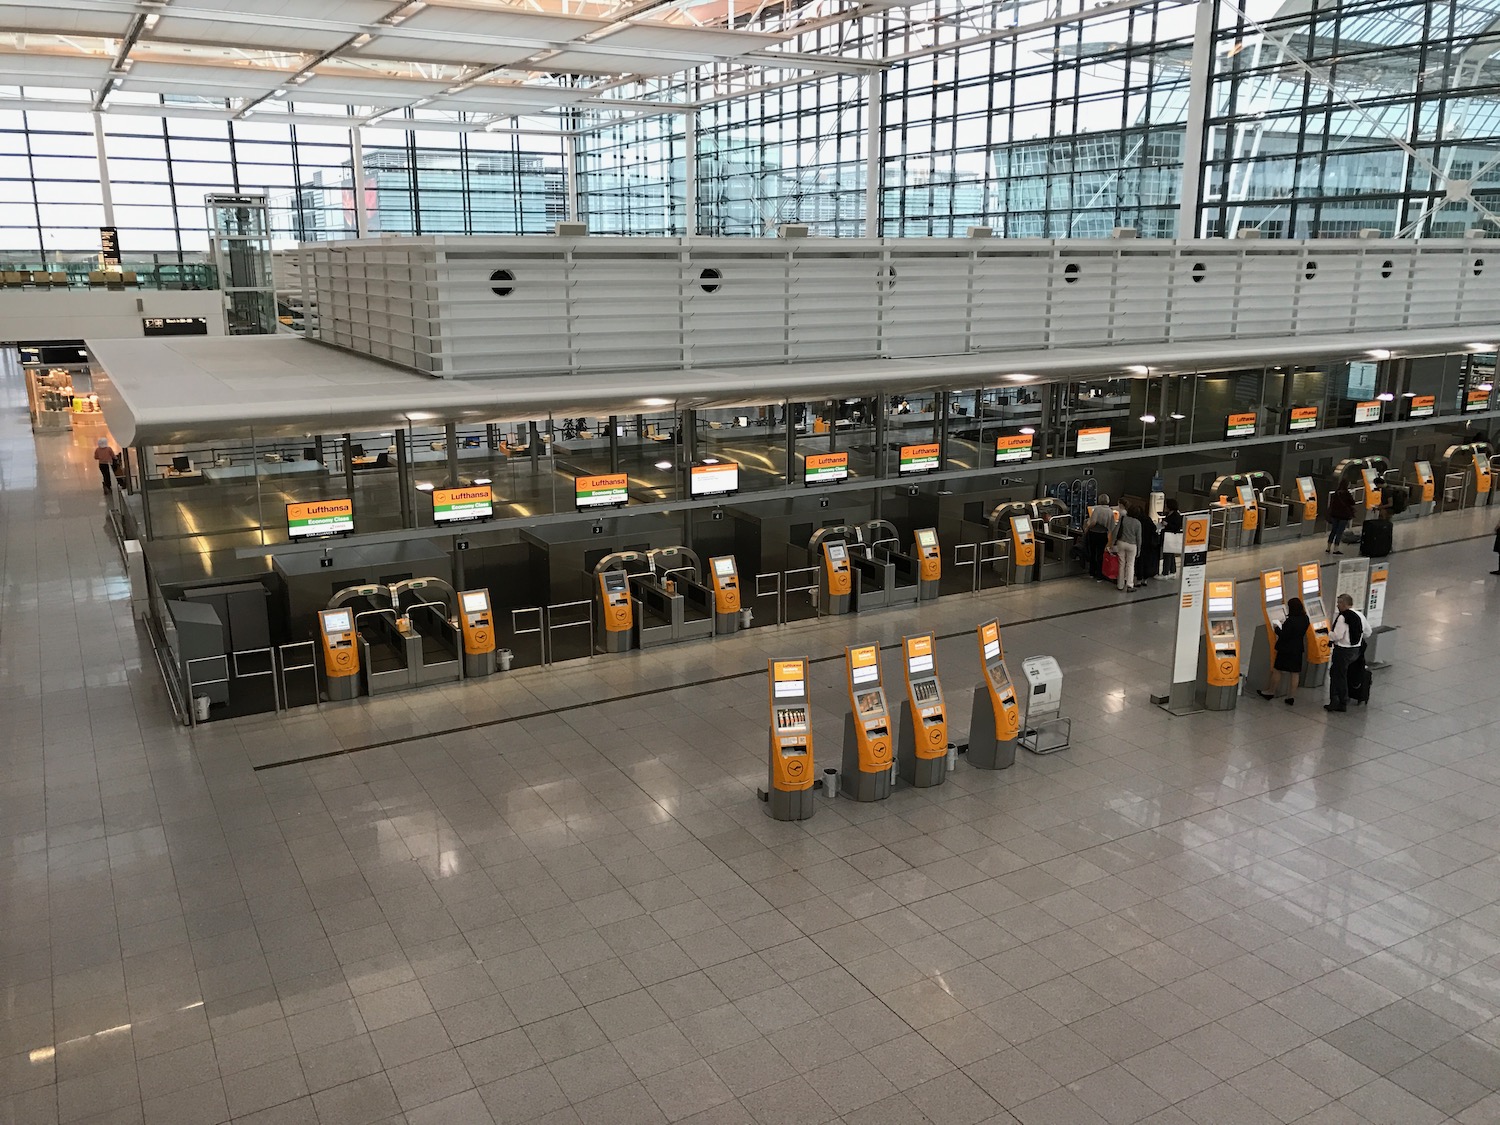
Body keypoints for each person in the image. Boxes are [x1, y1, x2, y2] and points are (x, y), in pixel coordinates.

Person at [1257, 596, 1309, 706]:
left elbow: (1284, 635)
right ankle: (1291, 697)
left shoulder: (1290, 621)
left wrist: (1276, 628)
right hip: (1298, 649)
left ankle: (1270, 692)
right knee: (1295, 673)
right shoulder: (1305, 618)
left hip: (1286, 649)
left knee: (1277, 670)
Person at [1326, 593, 1366, 713]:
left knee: (1337, 675)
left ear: (1344, 604)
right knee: (1341, 674)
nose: (1337, 605)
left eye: (1339, 603)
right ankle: (1343, 699)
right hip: (1355, 650)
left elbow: (1338, 635)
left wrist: (1329, 634)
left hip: (1343, 650)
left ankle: (1338, 701)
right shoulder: (1357, 615)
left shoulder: (1343, 617)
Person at [1109, 502, 1142, 592]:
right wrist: (1139, 549)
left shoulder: (1123, 519)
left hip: (1121, 543)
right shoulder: (1138, 523)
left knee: (1121, 563)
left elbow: (1116, 531)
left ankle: (1120, 584)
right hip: (1132, 545)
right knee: (1130, 565)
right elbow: (1139, 538)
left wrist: (1112, 543)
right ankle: (1129, 585)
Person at [1082, 494, 1115, 580]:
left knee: (1093, 553)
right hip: (1103, 534)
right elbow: (1112, 527)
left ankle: (1092, 572)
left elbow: (1093, 522)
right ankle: (1099, 574)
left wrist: (1087, 528)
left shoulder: (1097, 509)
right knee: (1100, 555)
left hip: (1094, 533)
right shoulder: (1110, 511)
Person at [1135, 505, 1162, 586]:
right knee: (1146, 561)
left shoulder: (1137, 520)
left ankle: (1139, 579)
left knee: (1139, 562)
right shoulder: (1148, 519)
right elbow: (1154, 529)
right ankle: (1145, 579)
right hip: (1148, 543)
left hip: (1139, 543)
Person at [1326, 483, 1356, 555]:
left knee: (1333, 531)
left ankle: (1328, 548)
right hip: (1343, 516)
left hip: (1334, 515)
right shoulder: (1347, 494)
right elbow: (1352, 503)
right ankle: (1336, 549)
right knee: (1339, 532)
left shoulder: (1336, 493)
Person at [1160, 499, 1184, 577]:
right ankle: (1172, 571)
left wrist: (1167, 524)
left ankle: (1165, 572)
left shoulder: (1176, 515)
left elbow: (1177, 527)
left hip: (1170, 537)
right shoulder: (1169, 514)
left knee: (1167, 554)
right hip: (1167, 536)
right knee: (1171, 554)